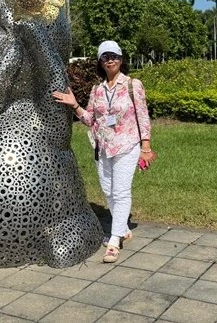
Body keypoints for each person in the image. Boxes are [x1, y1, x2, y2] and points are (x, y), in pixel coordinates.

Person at [52, 40, 155, 263]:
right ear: (101, 61)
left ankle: (115, 240)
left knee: (120, 192)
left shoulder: (132, 85)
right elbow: (91, 119)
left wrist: (145, 146)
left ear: (121, 59)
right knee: (108, 191)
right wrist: (74, 104)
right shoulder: (97, 90)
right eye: (105, 56)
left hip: (127, 145)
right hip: (103, 147)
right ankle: (124, 228)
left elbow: (143, 116)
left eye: (114, 55)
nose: (110, 60)